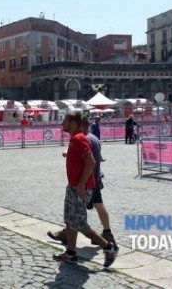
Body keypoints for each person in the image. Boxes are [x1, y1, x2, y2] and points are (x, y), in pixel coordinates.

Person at [51, 111, 118, 267]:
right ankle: (71, 253)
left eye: (65, 122)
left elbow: (91, 162)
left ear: (73, 124)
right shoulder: (75, 139)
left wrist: (81, 183)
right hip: (73, 186)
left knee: (80, 223)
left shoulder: (79, 139)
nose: (62, 124)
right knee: (69, 220)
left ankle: (109, 247)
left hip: (79, 188)